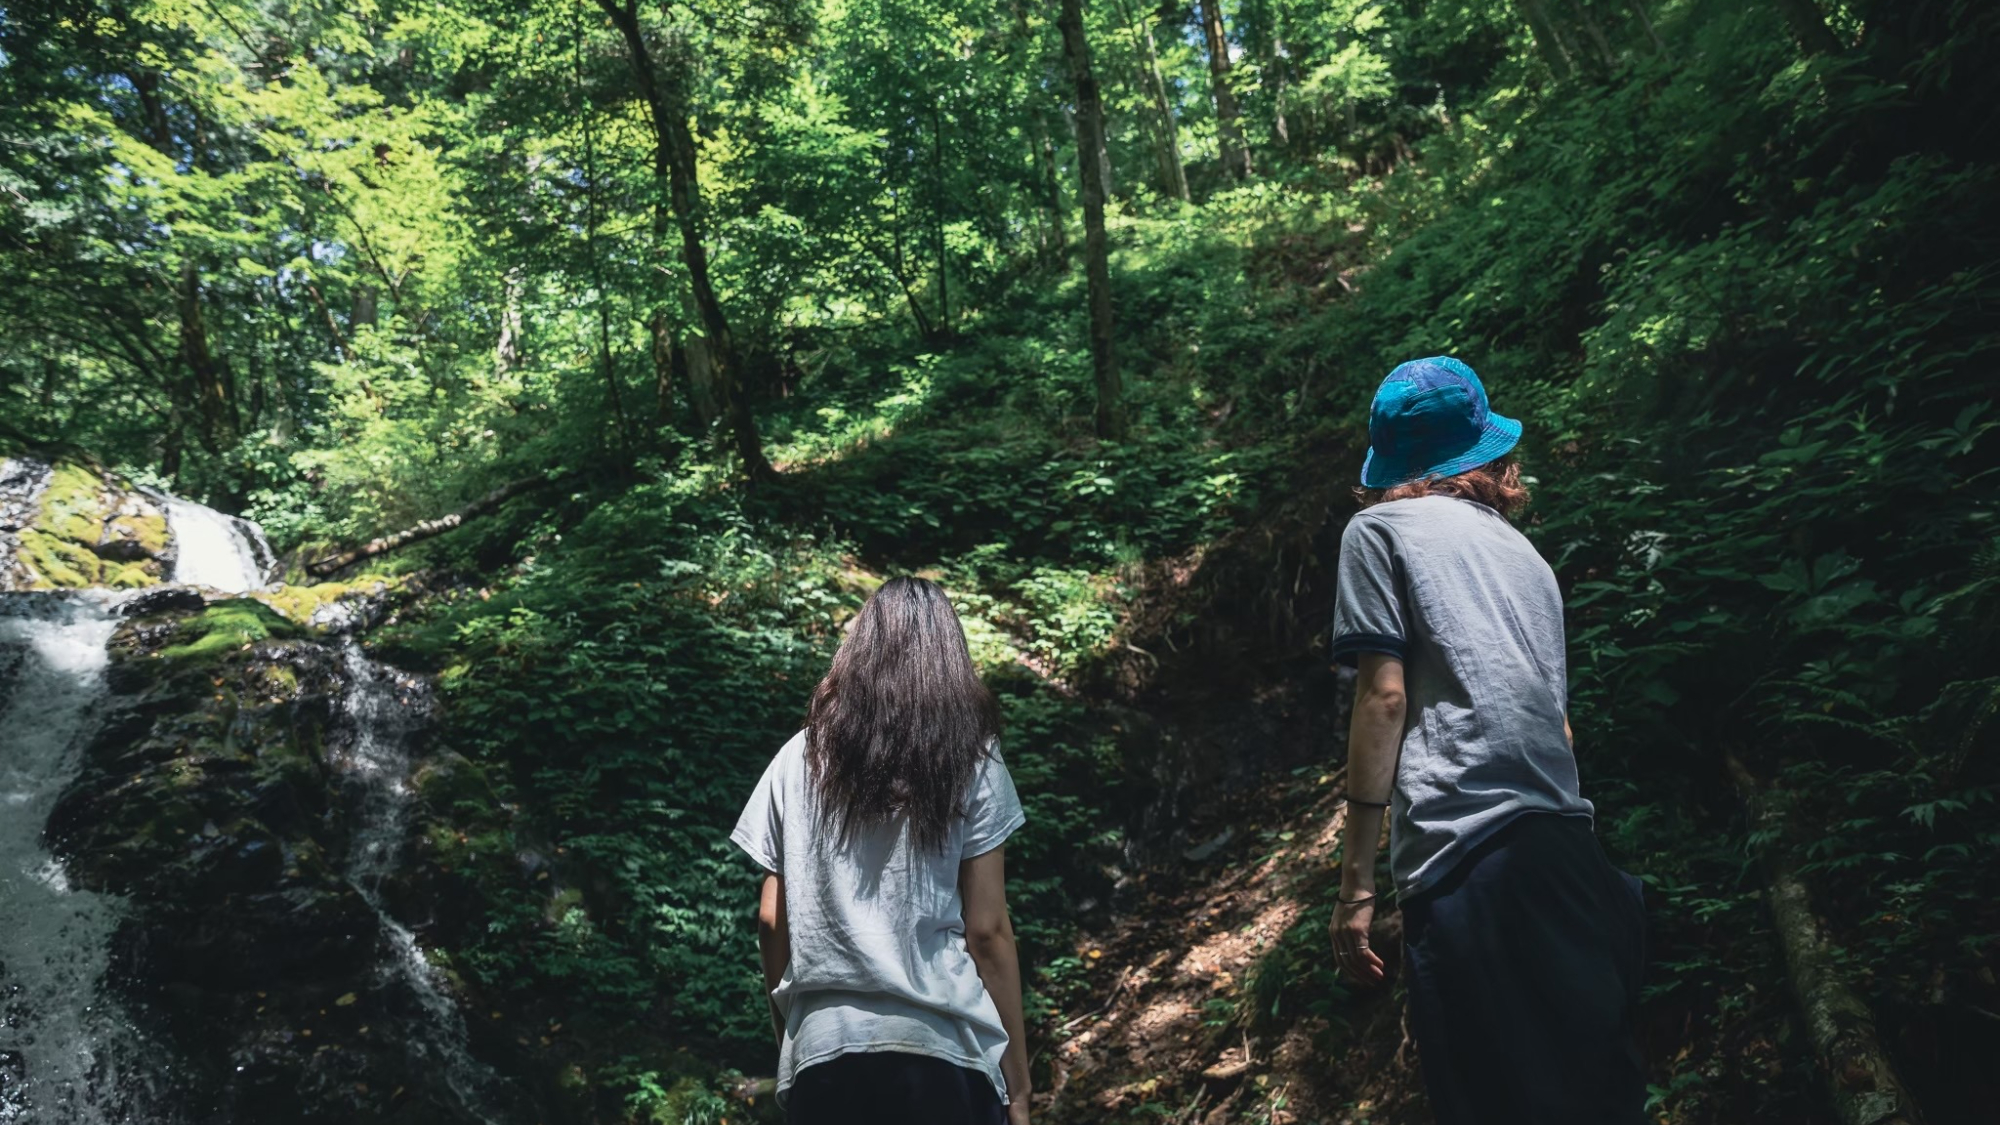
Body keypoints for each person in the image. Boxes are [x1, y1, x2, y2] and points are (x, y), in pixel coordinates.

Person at [1326, 356, 1647, 1124]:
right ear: (1482, 451)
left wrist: (1356, 886)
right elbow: (1557, 723)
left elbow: (1384, 696)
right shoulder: (1524, 556)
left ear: (1390, 463)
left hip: (1467, 864)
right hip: (1567, 852)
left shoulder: (1376, 532)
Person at [732, 576, 1032, 1125]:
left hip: (824, 1056)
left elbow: (772, 918)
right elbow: (987, 930)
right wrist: (1018, 1082)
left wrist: (793, 1032)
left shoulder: (797, 758)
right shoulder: (973, 761)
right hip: (943, 1050)